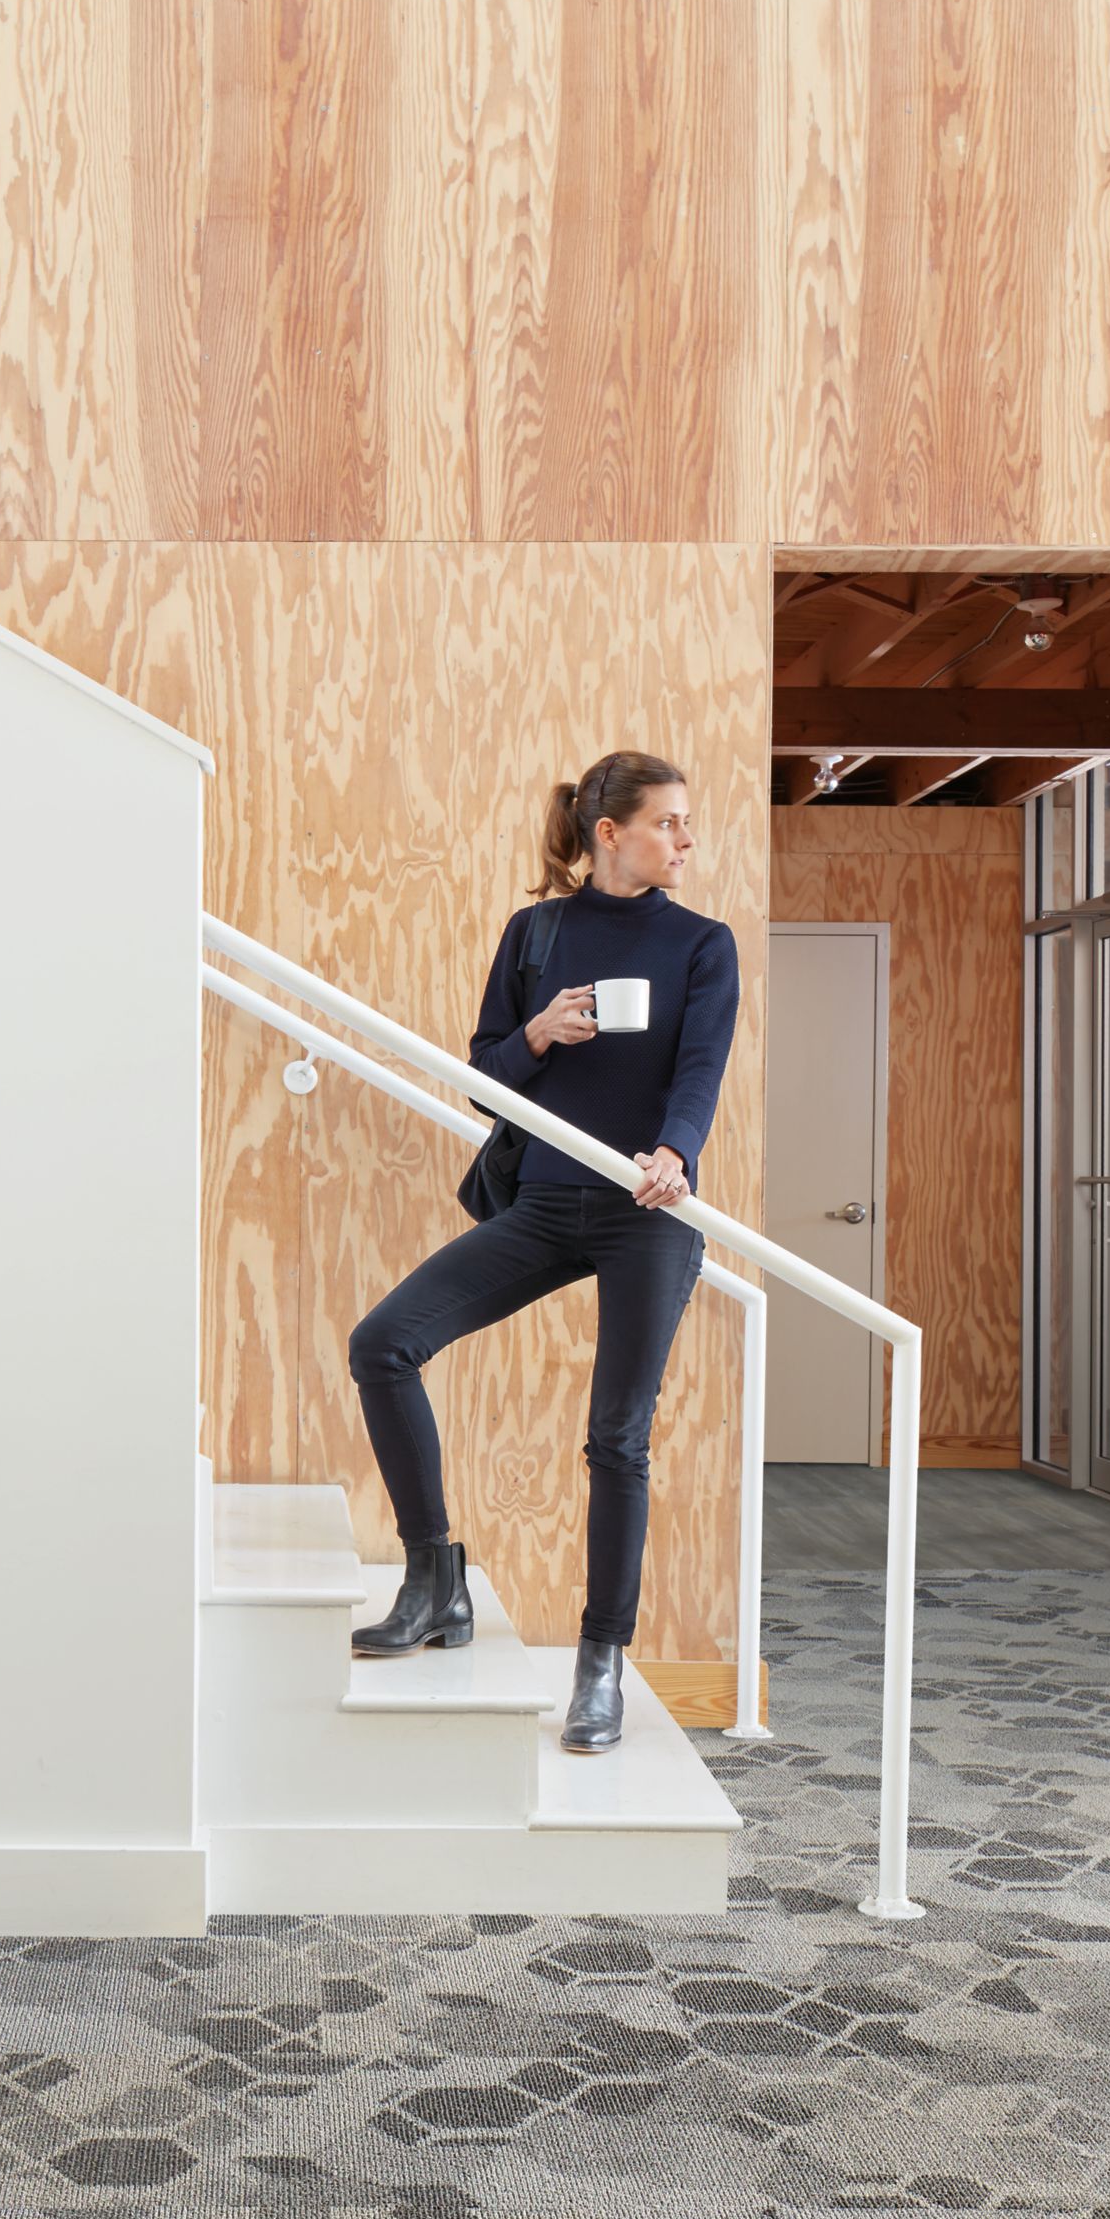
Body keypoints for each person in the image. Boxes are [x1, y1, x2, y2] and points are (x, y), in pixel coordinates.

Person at [346, 749, 740, 1755]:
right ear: (610, 833)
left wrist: (674, 1150)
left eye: (687, 823)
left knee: (617, 1437)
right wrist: (535, 1036)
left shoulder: (702, 944)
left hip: (644, 1213)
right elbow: (482, 1077)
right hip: (547, 1201)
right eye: (668, 823)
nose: (686, 839)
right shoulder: (538, 931)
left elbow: (698, 1069)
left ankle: (600, 1662)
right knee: (383, 1343)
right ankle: (433, 1576)